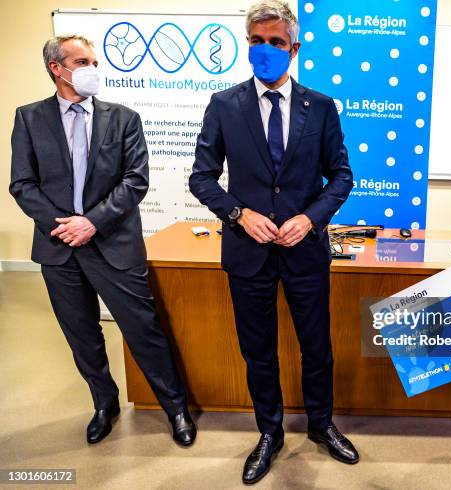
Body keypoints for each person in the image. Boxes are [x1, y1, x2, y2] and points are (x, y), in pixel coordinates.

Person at [189, 0, 358, 484]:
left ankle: (322, 425)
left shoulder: (321, 107)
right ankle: (270, 432)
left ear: (295, 48)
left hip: (304, 250)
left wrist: (310, 218)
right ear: (248, 46)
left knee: (316, 346)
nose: (266, 51)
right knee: (258, 349)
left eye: (276, 43)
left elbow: (341, 176)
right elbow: (202, 179)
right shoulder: (224, 105)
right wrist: (240, 215)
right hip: (248, 252)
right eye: (257, 42)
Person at [9, 35, 197, 446]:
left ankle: (176, 407)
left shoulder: (123, 118)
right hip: (58, 248)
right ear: (57, 68)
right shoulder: (29, 118)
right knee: (82, 334)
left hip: (113, 243)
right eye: (82, 61)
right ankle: (104, 403)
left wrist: (90, 223)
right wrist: (66, 225)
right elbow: (22, 184)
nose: (93, 68)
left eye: (94, 60)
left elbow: (135, 181)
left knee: (142, 329)